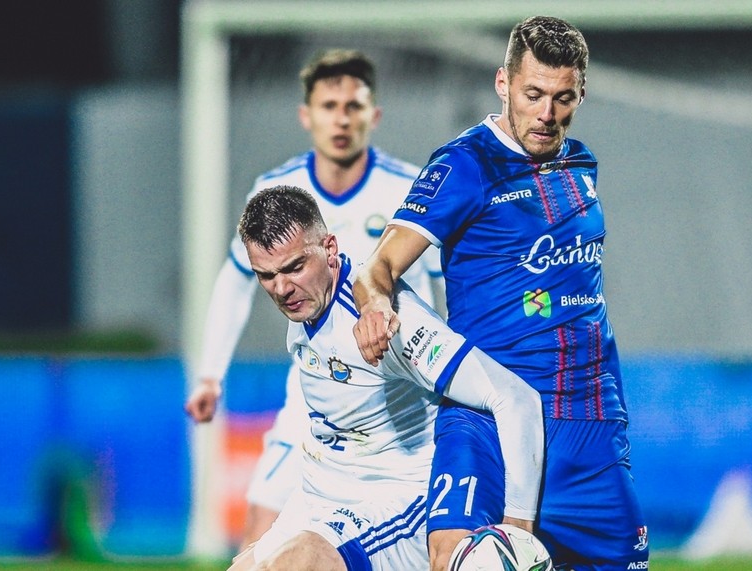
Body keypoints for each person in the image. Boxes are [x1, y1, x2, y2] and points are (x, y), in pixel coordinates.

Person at [352, 16, 650, 570]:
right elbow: (378, 268)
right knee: (453, 557)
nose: (546, 113)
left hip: (588, 424)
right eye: (533, 94)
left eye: (563, 98)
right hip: (486, 418)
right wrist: (373, 308)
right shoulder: (464, 165)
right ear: (503, 84)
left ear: (581, 94)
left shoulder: (581, 166)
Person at [183, 49, 442, 549]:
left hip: (397, 407)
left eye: (353, 106)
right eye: (328, 106)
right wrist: (211, 373)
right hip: (315, 393)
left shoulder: (409, 188)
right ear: (307, 116)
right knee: (260, 539)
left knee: (401, 547)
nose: (341, 119)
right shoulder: (276, 191)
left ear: (374, 115)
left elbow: (440, 285)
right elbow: (235, 279)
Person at [226, 185, 543, 570]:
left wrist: (518, 524)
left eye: (294, 268)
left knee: (301, 562)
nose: (281, 289)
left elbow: (515, 397)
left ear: (329, 249)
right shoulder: (307, 302)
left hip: (393, 498)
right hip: (319, 498)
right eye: (266, 275)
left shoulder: (387, 322)